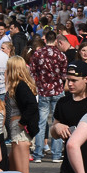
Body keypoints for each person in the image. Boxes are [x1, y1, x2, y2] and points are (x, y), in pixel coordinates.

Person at [29, 30, 67, 163]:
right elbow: (64, 75)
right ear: (56, 40)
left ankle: (38, 153)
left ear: (45, 40)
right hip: (57, 90)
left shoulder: (37, 54)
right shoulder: (61, 55)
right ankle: (56, 154)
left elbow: (32, 73)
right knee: (57, 122)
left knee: (41, 122)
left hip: (43, 91)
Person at [4, 56, 39, 173]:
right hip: (16, 130)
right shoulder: (18, 85)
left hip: (20, 131)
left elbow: (32, 105)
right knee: (12, 171)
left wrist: (22, 122)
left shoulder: (21, 86)